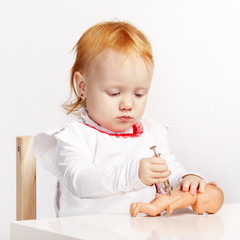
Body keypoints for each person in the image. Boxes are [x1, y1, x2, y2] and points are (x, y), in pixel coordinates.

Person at [33, 21, 208, 217]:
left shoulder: (151, 132)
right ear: (82, 87)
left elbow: (168, 169)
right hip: (87, 232)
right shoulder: (76, 135)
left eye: (139, 94)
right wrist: (132, 174)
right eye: (115, 93)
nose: (128, 104)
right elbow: (79, 180)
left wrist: (186, 178)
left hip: (144, 231)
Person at [130, 182, 224, 217]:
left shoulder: (189, 187)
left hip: (164, 196)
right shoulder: (191, 196)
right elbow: (180, 201)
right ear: (205, 202)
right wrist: (171, 207)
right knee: (154, 209)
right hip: (166, 200)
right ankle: (138, 206)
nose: (202, 212)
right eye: (206, 210)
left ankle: (148, 209)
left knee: (155, 207)